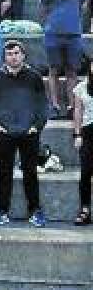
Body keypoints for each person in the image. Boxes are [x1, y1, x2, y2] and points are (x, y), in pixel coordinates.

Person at [0, 39, 49, 227]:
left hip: (29, 132)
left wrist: (37, 126)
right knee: (4, 173)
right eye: (9, 54)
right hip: (4, 132)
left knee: (30, 173)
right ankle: (2, 211)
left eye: (16, 53)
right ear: (4, 57)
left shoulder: (34, 77)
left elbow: (42, 104)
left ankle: (35, 211)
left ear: (23, 55)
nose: (13, 57)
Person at [40, 0, 88, 117]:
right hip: (53, 35)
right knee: (53, 70)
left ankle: (71, 106)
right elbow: (44, 10)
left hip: (73, 35)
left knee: (71, 71)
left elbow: (82, 5)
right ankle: (54, 105)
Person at [73, 59, 93, 226]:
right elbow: (78, 111)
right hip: (88, 132)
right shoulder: (81, 87)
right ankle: (85, 209)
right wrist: (77, 134)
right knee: (86, 172)